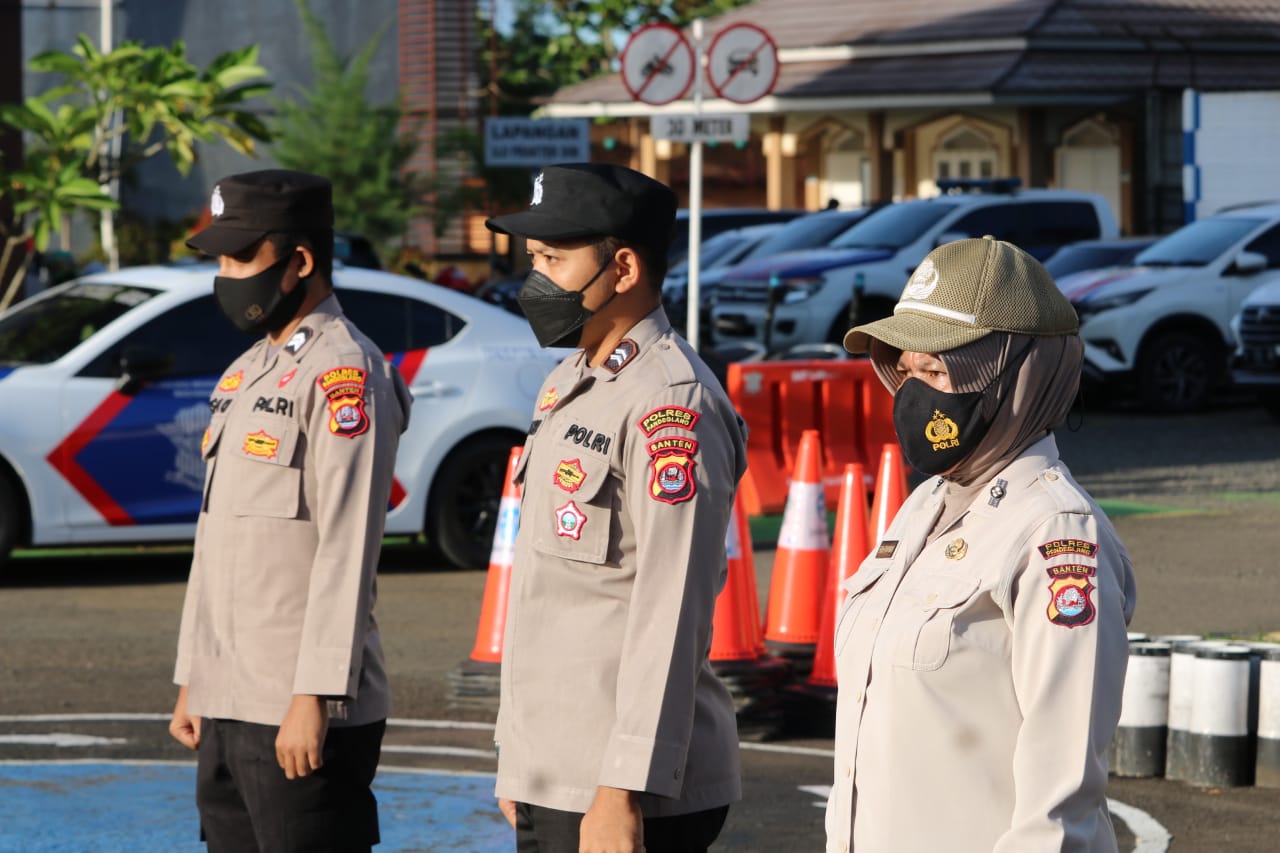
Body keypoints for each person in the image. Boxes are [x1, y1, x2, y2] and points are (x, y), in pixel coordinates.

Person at [826, 237, 1137, 852]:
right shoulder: (926, 504)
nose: (914, 394)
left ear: (1018, 377)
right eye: (906, 370)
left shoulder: (1055, 533)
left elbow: (1059, 808)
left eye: (937, 371)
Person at [485, 163, 747, 853]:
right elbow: (549, 593)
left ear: (622, 268)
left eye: (553, 259)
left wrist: (623, 789)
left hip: (621, 788)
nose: (535, 280)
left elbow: (671, 608)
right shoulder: (573, 376)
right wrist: (520, 755)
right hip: (555, 768)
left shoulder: (672, 403)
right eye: (533, 259)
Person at [168, 169, 411, 853]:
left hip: (299, 707)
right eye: (219, 261)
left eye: (241, 257)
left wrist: (315, 695)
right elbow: (217, 543)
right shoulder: (247, 371)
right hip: (228, 698)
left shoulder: (346, 373)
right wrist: (195, 676)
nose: (226, 276)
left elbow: (348, 548)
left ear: (299, 261)